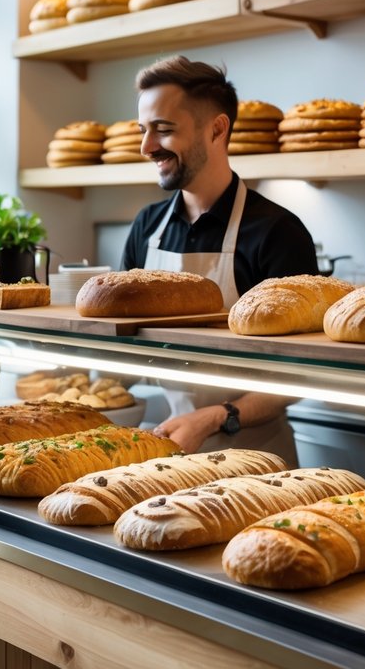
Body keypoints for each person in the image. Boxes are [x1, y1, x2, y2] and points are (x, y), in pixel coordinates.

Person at [121, 55, 319, 461]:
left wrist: (217, 416)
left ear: (217, 128)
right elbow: (126, 343)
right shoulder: (147, 226)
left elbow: (303, 372)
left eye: (163, 130)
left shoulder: (277, 232)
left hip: (257, 455)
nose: (146, 147)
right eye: (143, 131)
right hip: (170, 446)